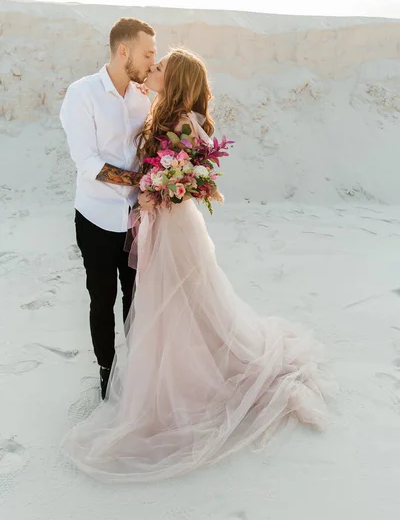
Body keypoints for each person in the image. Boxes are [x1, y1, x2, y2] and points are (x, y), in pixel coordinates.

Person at [61, 48, 335, 482]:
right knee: (171, 299)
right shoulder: (164, 112)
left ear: (176, 80)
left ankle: (183, 377)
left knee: (181, 297)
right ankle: (161, 371)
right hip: (161, 223)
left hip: (174, 226)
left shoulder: (184, 121)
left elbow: (189, 177)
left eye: (160, 68)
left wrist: (159, 187)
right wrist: (155, 184)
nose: (152, 70)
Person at [60, 17, 156, 398]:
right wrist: (142, 182)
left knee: (137, 301)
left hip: (137, 220)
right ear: (123, 51)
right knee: (102, 299)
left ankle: (140, 369)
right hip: (96, 218)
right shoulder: (82, 94)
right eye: (148, 53)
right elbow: (89, 163)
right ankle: (107, 369)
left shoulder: (143, 96)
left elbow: (148, 153)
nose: (153, 60)